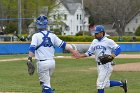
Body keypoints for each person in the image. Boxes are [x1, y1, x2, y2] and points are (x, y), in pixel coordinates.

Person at [27, 15, 79, 93]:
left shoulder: (36, 36)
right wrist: (73, 51)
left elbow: (32, 48)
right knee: (45, 83)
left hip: (42, 63)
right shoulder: (52, 35)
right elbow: (64, 45)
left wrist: (29, 58)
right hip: (52, 63)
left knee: (46, 86)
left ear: (37, 24)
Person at [75, 25, 128, 93]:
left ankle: (122, 84)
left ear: (102, 33)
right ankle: (122, 84)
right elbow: (89, 52)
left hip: (106, 65)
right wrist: (80, 56)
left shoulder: (108, 41)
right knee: (105, 84)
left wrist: (112, 56)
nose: (95, 34)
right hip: (99, 66)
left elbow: (118, 49)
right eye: (95, 33)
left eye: (97, 33)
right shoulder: (94, 41)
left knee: (100, 84)